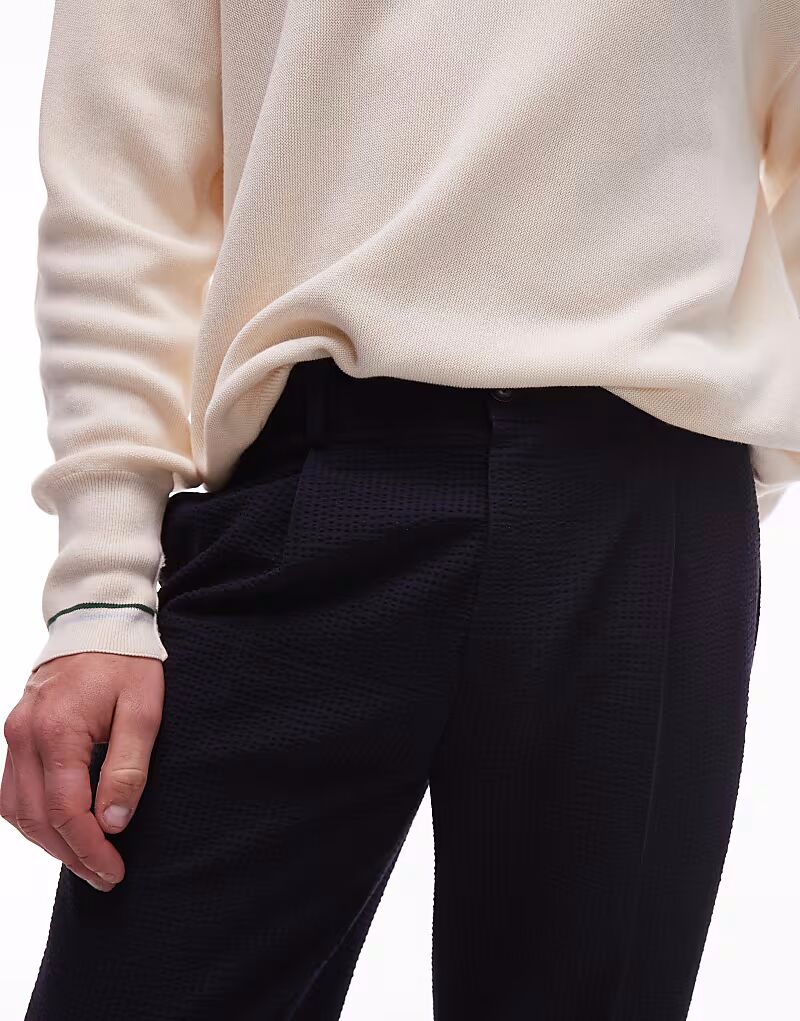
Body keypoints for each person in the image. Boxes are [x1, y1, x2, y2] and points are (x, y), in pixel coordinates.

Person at [1, 0, 796, 1018]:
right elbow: (124, 175)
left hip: (647, 494)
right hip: (311, 480)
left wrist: (732, 421)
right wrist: (100, 590)